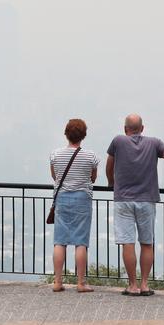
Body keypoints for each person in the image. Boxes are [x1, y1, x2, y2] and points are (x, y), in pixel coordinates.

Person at [106, 114, 164, 296]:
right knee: (147, 243)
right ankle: (145, 285)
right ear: (142, 128)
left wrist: (110, 182)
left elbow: (109, 165)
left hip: (124, 200)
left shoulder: (118, 141)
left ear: (125, 128)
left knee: (127, 243)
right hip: (147, 200)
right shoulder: (154, 143)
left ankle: (133, 286)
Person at [50, 118, 98, 293]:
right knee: (80, 242)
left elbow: (55, 177)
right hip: (82, 199)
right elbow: (93, 178)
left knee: (60, 241)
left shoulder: (55, 154)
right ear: (83, 135)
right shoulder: (91, 156)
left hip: (62, 198)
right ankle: (81, 283)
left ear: (66, 134)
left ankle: (57, 282)